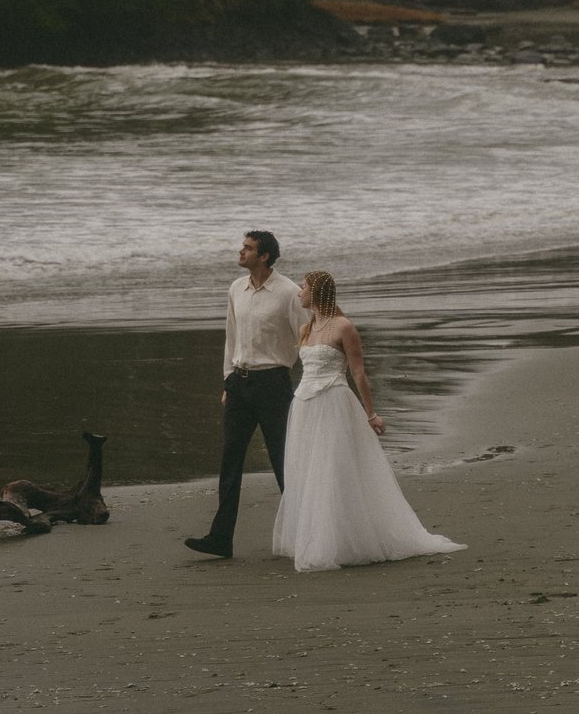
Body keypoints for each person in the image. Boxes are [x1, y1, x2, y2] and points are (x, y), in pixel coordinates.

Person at [269, 269, 463, 572]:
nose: (299, 292)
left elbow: (358, 372)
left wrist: (371, 413)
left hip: (333, 401)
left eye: (304, 287)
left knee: (334, 467)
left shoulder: (343, 326)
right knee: (310, 469)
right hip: (306, 405)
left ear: (317, 292)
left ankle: (341, 541)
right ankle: (320, 536)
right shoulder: (307, 328)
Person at [184, 230, 308, 559]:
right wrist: (228, 382)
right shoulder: (236, 288)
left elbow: (307, 339)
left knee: (283, 461)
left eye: (248, 248)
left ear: (264, 256)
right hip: (240, 385)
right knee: (230, 460)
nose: (241, 252)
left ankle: (303, 535)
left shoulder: (289, 293)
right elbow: (232, 337)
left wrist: (309, 384)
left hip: (273, 384)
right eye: (243, 246)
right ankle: (220, 538)